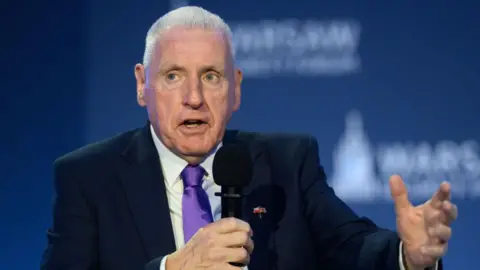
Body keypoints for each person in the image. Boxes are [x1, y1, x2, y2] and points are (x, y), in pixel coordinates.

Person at [41, 6, 457, 270]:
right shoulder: (89, 178)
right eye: (172, 77)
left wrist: (408, 257)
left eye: (211, 76)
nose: (194, 99)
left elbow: (353, 246)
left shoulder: (287, 164)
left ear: (235, 88)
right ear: (140, 85)